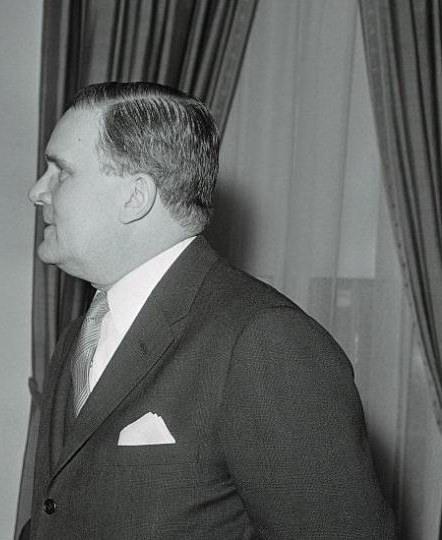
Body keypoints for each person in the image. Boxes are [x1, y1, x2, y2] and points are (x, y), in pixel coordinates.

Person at [21, 82, 395, 539]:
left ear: (134, 197)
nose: (37, 191)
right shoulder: (80, 335)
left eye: (61, 172)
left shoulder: (266, 342)